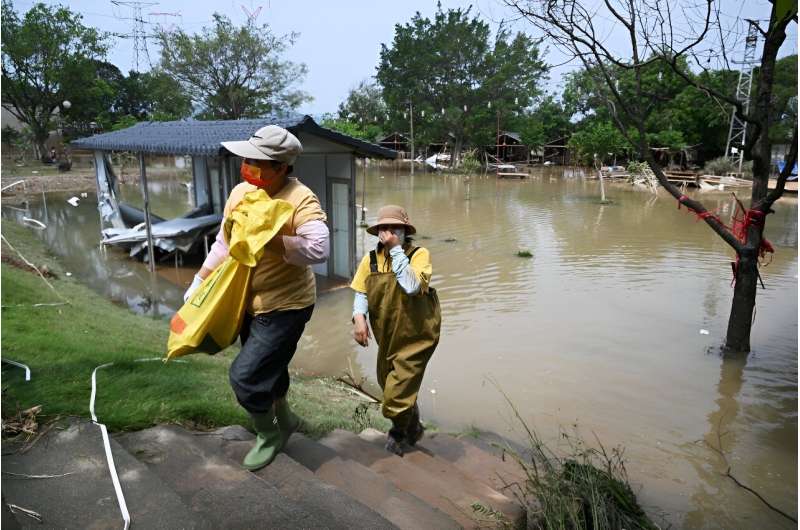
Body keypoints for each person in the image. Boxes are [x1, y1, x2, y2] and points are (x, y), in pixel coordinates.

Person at [184, 125, 329, 470]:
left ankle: (268, 433)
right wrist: (200, 279)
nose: (248, 166)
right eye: (247, 159)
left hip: (287, 305)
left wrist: (268, 238)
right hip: (247, 300)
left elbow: (319, 248)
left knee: (246, 376)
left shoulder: (300, 199)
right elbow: (225, 242)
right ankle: (285, 418)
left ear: (281, 167)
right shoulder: (241, 193)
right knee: (270, 366)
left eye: (258, 162)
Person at [350, 205, 441, 456]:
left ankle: (398, 433)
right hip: (388, 336)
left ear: (405, 231)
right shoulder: (370, 260)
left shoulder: (419, 255)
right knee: (388, 383)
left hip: (417, 336)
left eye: (395, 228)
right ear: (378, 231)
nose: (389, 232)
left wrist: (395, 250)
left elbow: (411, 286)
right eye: (384, 228)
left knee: (394, 397)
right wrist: (359, 318)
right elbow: (361, 292)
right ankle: (414, 427)